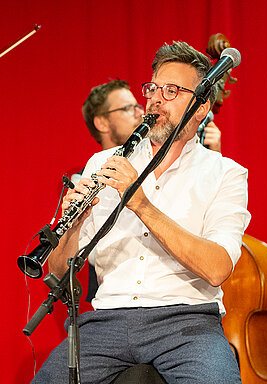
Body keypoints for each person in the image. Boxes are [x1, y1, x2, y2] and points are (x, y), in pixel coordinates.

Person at [31, 42, 250, 384]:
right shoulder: (104, 162)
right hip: (106, 324)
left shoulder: (226, 173)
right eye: (152, 88)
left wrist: (140, 203)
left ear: (201, 106)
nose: (155, 98)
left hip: (187, 326)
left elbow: (217, 268)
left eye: (172, 90)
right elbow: (61, 272)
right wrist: (70, 227)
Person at [80, 80, 223, 303]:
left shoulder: (165, 165)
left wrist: (210, 155)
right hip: (113, 303)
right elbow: (85, 255)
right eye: (127, 108)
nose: (140, 111)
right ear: (102, 122)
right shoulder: (89, 173)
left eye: (137, 105)